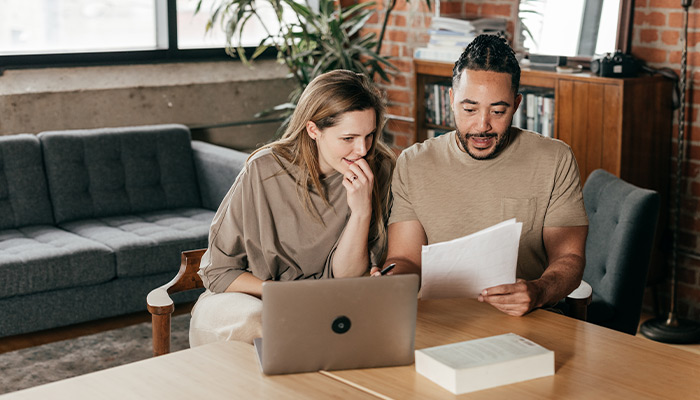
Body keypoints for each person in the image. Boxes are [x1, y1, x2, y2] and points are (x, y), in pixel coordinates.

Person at [374, 34, 589, 317]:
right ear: (451, 100)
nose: (482, 125)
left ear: (517, 104)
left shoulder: (554, 159)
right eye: (469, 109)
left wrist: (539, 291)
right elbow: (405, 259)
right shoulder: (414, 162)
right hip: (442, 319)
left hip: (528, 317)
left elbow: (569, 258)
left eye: (498, 111)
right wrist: (392, 282)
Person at [190, 70, 395, 346]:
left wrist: (361, 211)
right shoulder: (264, 170)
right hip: (248, 301)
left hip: (327, 304)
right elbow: (218, 272)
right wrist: (288, 296)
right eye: (348, 138)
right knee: (264, 324)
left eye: (369, 135)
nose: (362, 149)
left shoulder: (379, 168)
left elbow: (348, 278)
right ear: (313, 130)